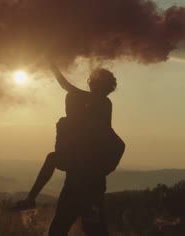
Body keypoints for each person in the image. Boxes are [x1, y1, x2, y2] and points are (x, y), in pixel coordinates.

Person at [12, 63, 120, 236]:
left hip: (84, 184)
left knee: (70, 229)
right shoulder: (96, 110)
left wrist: (53, 67)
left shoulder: (100, 104)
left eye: (93, 81)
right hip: (89, 184)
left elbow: (67, 87)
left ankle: (31, 198)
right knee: (78, 228)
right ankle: (31, 198)